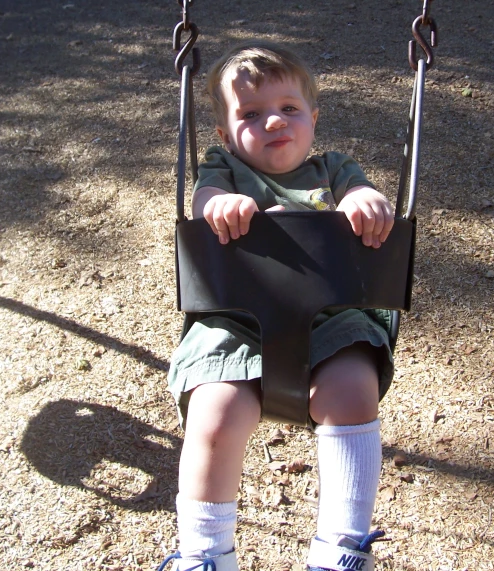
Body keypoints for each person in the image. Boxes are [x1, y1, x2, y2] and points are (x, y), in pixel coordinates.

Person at [162, 40, 395, 571]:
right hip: (235, 322)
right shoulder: (223, 167)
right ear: (225, 133)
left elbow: (364, 194)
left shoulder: (333, 169)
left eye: (289, 109)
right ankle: (205, 555)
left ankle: (342, 548)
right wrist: (218, 204)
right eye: (251, 114)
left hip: (330, 319)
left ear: (313, 117)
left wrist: (364, 200)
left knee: (353, 392)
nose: (273, 123)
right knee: (215, 416)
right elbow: (202, 202)